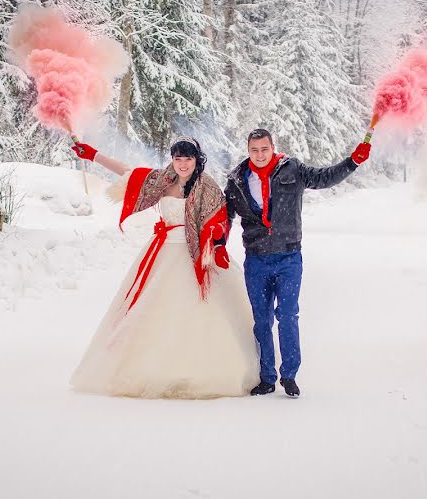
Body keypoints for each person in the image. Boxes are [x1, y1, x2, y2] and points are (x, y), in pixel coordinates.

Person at [69, 137, 259, 398]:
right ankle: (152, 368)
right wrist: (92, 155)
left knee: (201, 312)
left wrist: (216, 237)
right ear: (172, 160)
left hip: (196, 255)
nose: (182, 164)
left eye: (188, 159)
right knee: (152, 310)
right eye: (178, 158)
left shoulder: (207, 186)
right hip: (163, 252)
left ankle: (202, 369)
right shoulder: (162, 180)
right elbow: (127, 172)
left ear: (197, 160)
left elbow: (220, 217)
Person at [225, 129, 371, 397]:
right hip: (256, 260)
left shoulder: (290, 169)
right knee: (261, 320)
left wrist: (353, 162)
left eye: (264, 149)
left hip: (288, 257)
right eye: (254, 150)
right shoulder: (236, 180)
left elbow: (324, 178)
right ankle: (267, 377)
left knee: (288, 316)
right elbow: (226, 216)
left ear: (272, 147)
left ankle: (289, 375)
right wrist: (219, 243)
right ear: (248, 150)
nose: (259, 155)